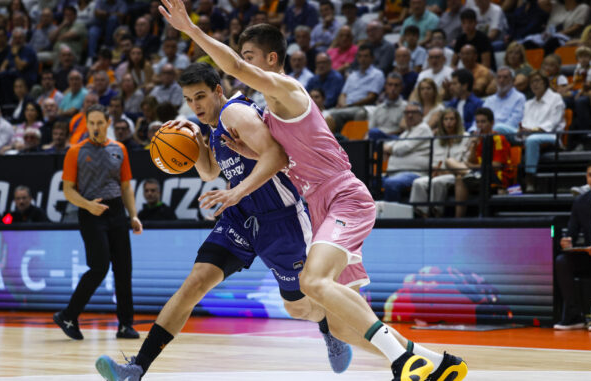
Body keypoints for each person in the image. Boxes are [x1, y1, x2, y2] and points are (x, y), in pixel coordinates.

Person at [157, 5, 468, 380]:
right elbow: (286, 156)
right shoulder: (269, 114)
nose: (243, 63)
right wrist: (242, 151)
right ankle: (437, 363)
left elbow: (235, 70)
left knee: (312, 283)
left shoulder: (288, 89)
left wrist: (191, 29)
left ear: (271, 59)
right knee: (339, 323)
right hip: (319, 205)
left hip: (343, 196)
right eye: (243, 57)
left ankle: (401, 362)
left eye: (250, 56)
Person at [96, 63, 352, 379]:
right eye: (189, 100)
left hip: (281, 220)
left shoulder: (236, 114)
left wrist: (236, 192)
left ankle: (328, 324)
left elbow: (277, 157)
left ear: (218, 90)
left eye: (200, 96)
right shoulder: (216, 126)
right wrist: (194, 141)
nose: (196, 106)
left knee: (297, 307)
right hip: (240, 218)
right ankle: (137, 367)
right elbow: (209, 172)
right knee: (195, 283)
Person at [53, 104, 143, 341]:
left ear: (107, 123)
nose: (95, 127)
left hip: (116, 211)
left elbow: (126, 187)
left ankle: (125, 326)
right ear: (87, 124)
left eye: (99, 123)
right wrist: (87, 205)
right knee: (99, 266)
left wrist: (133, 214)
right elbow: (68, 191)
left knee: (124, 270)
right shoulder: (76, 151)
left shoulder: (119, 149)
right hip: (90, 212)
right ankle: (68, 315)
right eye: (91, 123)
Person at [556, 160, 591, 331]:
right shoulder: (581, 202)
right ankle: (574, 316)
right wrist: (566, 241)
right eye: (590, 175)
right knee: (562, 261)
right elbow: (571, 232)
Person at [446, 108, 513, 217]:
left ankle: (473, 174)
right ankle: (458, 221)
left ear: (492, 123)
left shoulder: (498, 138)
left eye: (483, 122)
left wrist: (473, 166)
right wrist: (473, 146)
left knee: (458, 170)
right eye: (477, 122)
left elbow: (497, 166)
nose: (480, 125)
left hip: (496, 177)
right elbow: (470, 161)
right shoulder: (479, 139)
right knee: (454, 169)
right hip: (480, 174)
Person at [409, 108, 469, 217]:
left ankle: (437, 214)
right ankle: (423, 216)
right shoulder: (437, 140)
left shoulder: (466, 137)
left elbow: (465, 164)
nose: (449, 122)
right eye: (446, 119)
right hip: (439, 174)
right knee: (418, 182)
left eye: (452, 119)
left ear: (457, 121)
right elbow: (434, 163)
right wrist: (435, 169)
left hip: (456, 175)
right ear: (442, 122)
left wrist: (446, 171)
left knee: (437, 182)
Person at [381, 102, 434, 202]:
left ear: (421, 115)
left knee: (391, 183)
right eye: (407, 112)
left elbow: (403, 148)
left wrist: (389, 149)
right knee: (367, 181)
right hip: (395, 173)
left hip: (414, 173)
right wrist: (388, 148)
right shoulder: (407, 132)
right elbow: (395, 145)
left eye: (413, 112)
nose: (409, 115)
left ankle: (392, 216)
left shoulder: (423, 128)